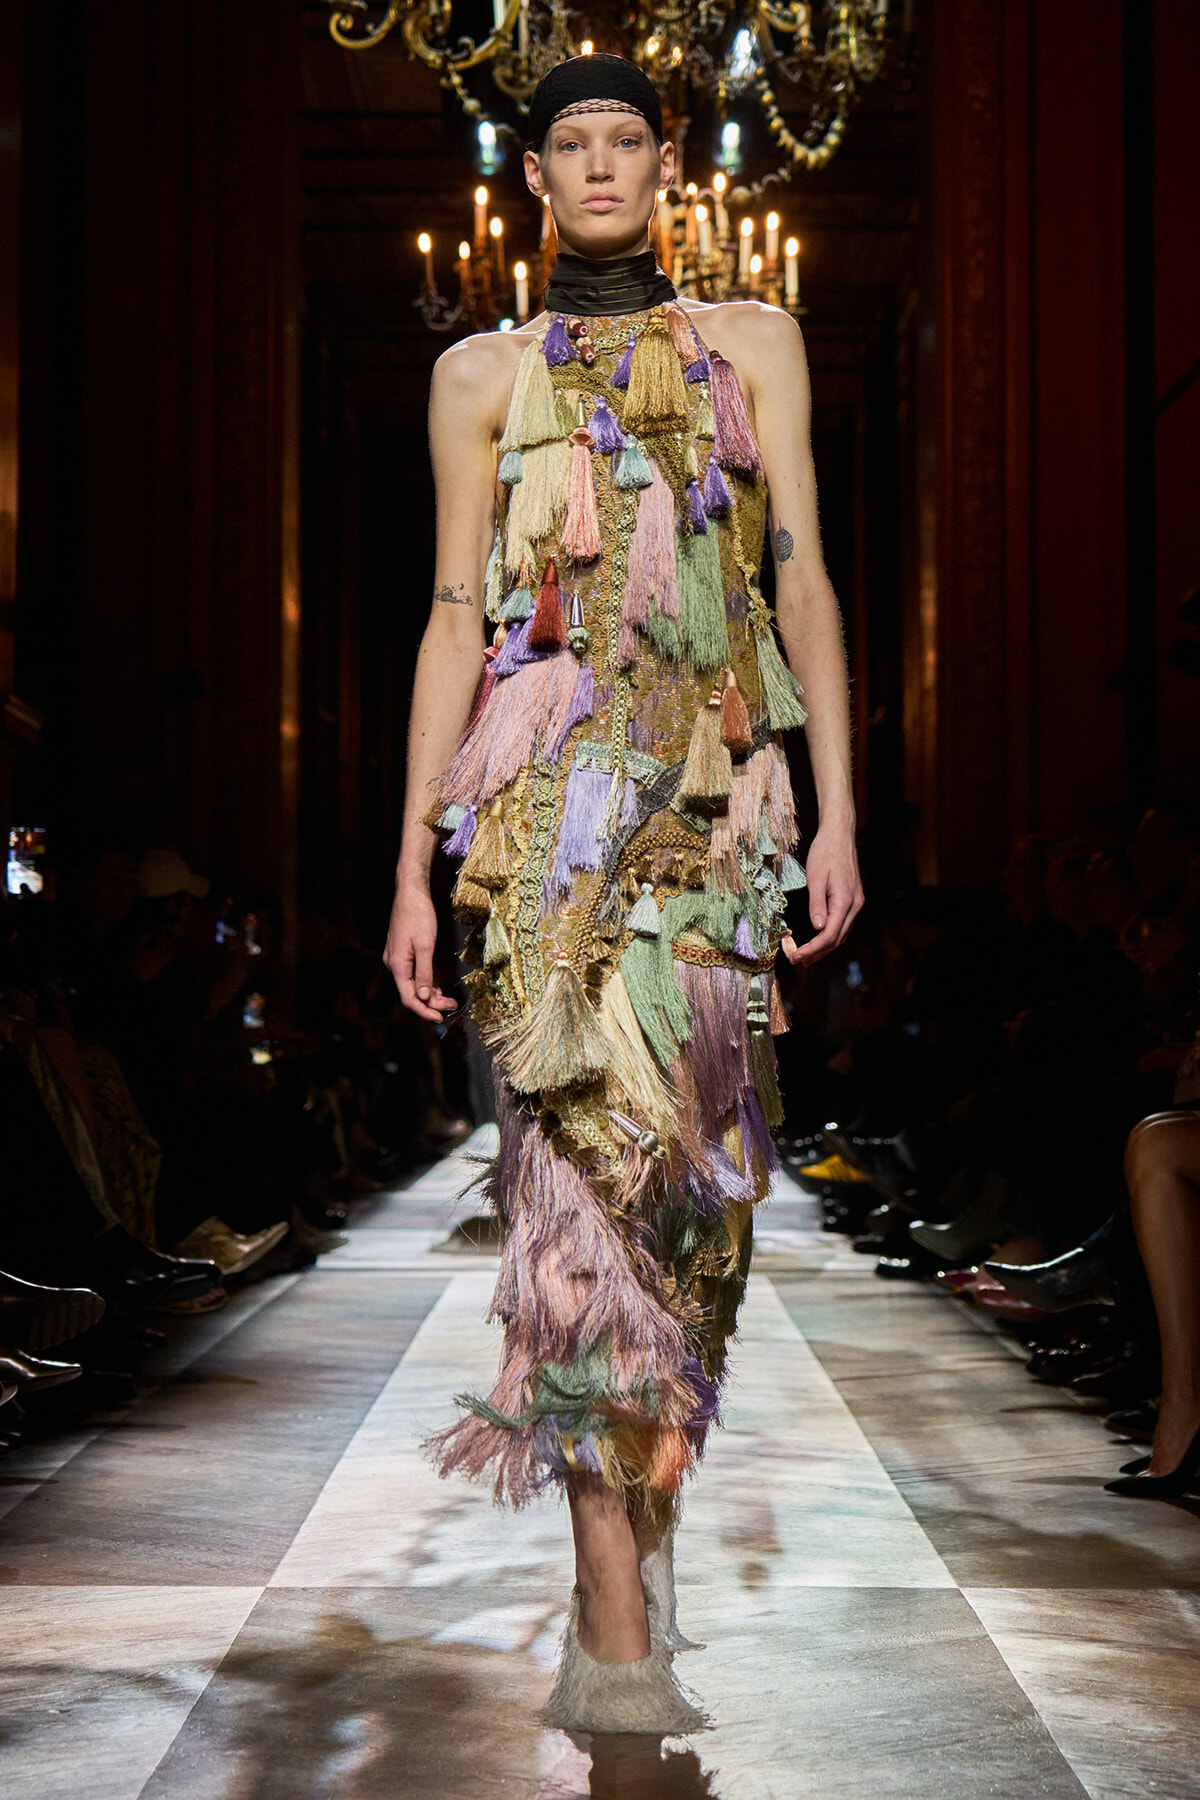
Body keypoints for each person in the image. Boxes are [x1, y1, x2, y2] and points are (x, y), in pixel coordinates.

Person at [384, 52, 862, 1733]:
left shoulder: (755, 346)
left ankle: (640, 1516)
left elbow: (801, 581)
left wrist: (841, 812)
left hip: (718, 818)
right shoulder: (479, 375)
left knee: (695, 1213)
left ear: (669, 167)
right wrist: (412, 863)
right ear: (533, 177)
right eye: (568, 144)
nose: (598, 166)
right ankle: (611, 1617)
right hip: (545, 822)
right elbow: (456, 617)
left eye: (625, 142)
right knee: (573, 1204)